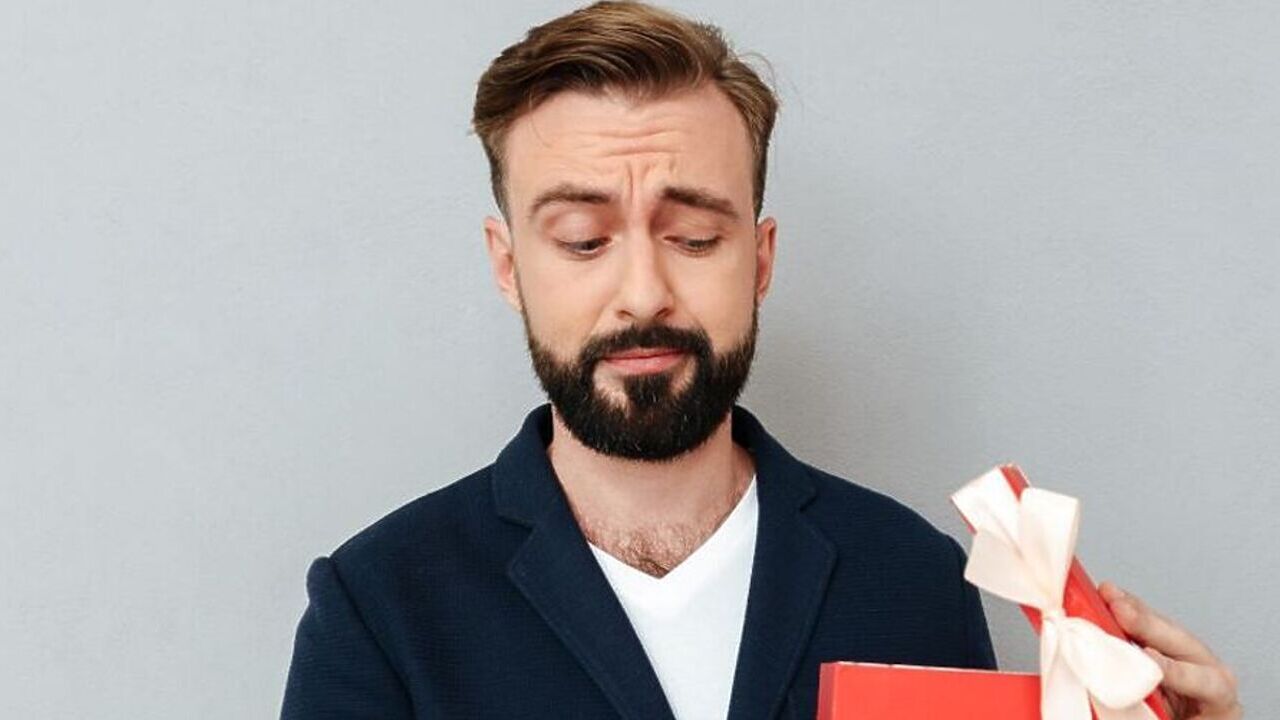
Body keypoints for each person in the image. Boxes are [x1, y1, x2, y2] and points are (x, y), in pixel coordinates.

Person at [280, 2, 1242, 718]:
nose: (644, 292)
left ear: (762, 258)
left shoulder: (912, 577)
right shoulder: (380, 605)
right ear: (508, 266)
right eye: (582, 239)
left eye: (694, 238)